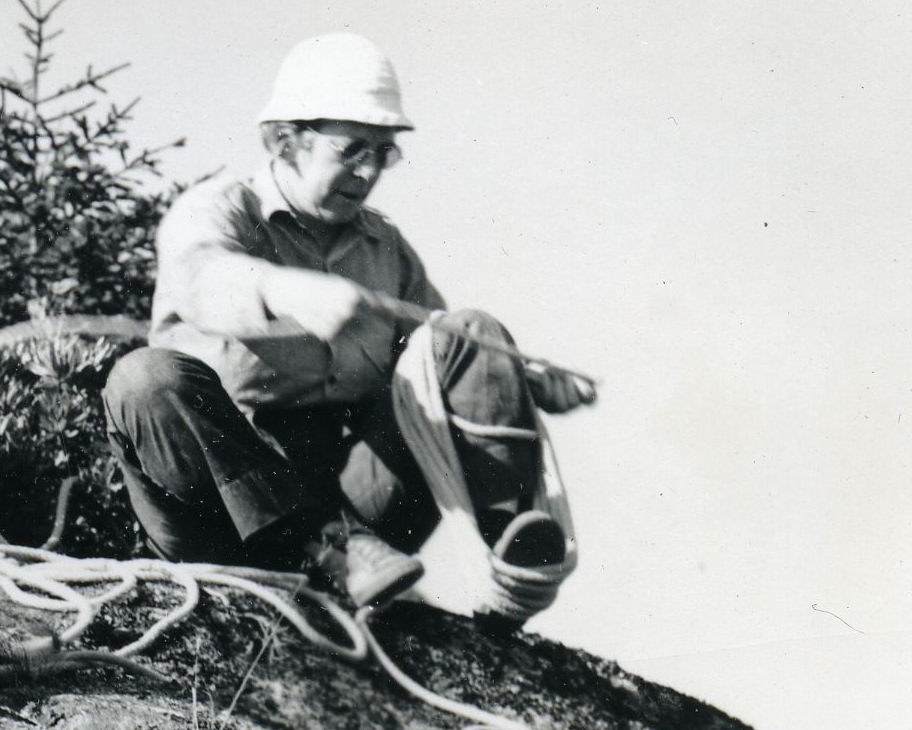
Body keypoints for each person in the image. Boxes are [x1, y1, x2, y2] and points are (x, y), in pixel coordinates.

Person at [102, 32, 595, 613]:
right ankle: (320, 547)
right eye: (352, 150)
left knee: (474, 333)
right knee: (143, 380)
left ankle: (505, 560)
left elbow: (444, 350)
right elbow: (198, 277)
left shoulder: (385, 248)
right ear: (286, 142)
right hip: (224, 501)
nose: (368, 172)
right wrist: (277, 288)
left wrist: (524, 377)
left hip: (355, 504)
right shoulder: (217, 210)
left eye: (382, 153)